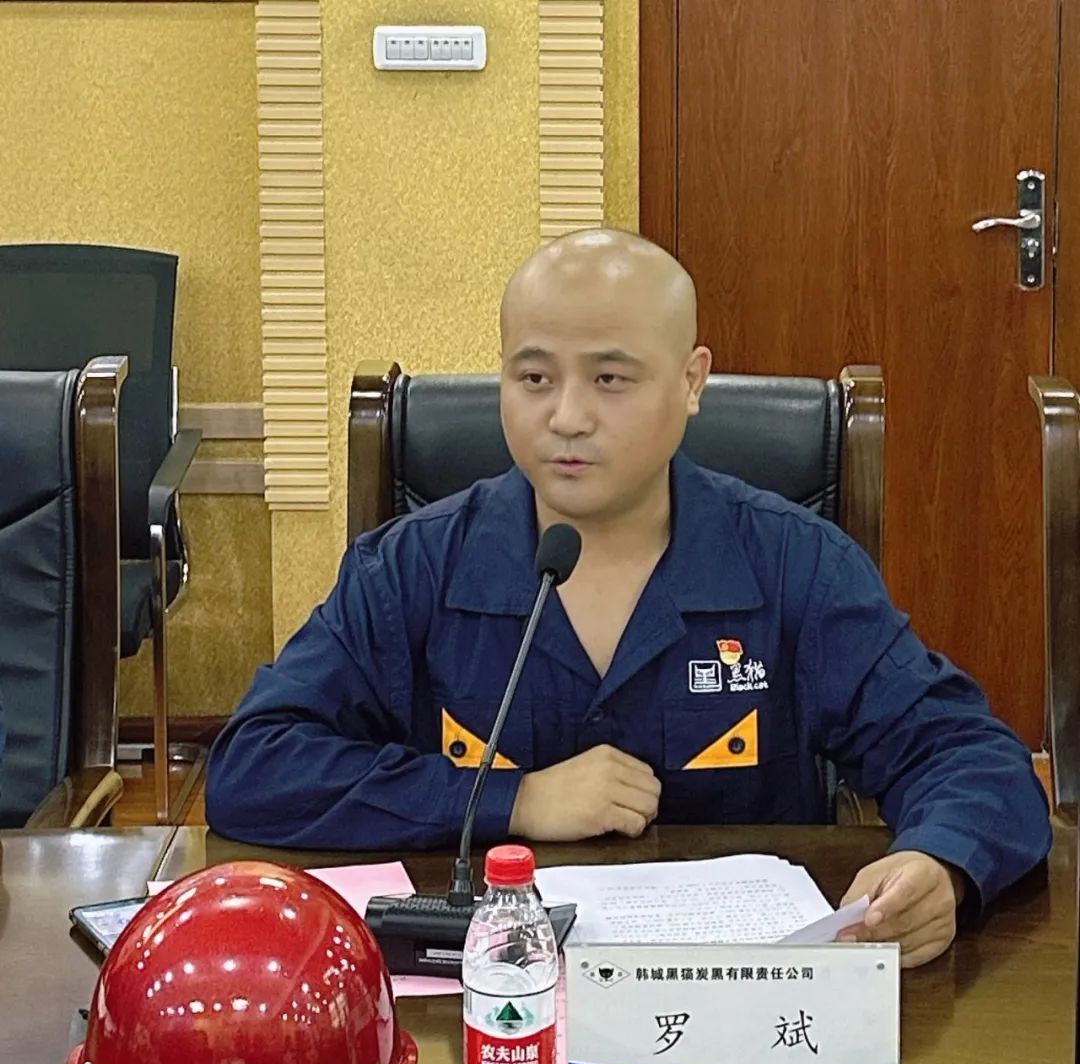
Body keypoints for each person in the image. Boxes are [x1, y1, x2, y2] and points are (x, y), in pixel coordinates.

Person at [207, 229, 1051, 968]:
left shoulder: (795, 563)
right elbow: (255, 766)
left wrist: (942, 864)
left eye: (611, 379)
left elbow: (967, 754)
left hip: (734, 1015)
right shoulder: (412, 567)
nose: (567, 417)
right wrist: (513, 799)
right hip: (488, 1005)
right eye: (533, 377)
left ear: (691, 381)